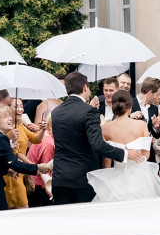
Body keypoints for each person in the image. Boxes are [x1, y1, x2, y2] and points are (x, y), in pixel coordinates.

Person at [51, 72, 143, 205]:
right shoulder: (89, 112)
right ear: (84, 88)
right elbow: (97, 145)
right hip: (82, 179)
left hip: (60, 178)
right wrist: (125, 153)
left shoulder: (56, 112)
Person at [86, 91, 160, 202]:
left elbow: (107, 158)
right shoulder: (141, 125)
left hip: (116, 177)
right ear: (130, 108)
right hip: (140, 176)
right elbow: (146, 154)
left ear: (113, 108)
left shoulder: (105, 128)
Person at [0, 106, 50, 212]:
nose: (10, 118)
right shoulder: (0, 138)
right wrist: (37, 168)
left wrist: (6, 170)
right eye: (5, 117)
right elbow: (14, 163)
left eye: (9, 116)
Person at [4, 98, 44, 209]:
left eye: (21, 106)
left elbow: (36, 139)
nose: (20, 109)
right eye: (16, 106)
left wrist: (43, 129)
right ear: (8, 109)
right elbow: (16, 153)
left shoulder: (20, 125)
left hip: (20, 171)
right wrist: (35, 167)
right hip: (12, 173)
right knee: (22, 208)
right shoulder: (8, 128)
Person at [131, 77, 160, 161]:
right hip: (133, 151)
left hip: (148, 152)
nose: (158, 98)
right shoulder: (130, 104)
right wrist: (129, 116)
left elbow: (156, 135)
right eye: (157, 94)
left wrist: (156, 127)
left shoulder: (154, 109)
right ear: (150, 93)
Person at [27, 118, 55, 207]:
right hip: (39, 187)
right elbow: (45, 171)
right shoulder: (49, 144)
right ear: (50, 127)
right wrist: (51, 193)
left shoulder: (45, 138)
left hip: (33, 182)